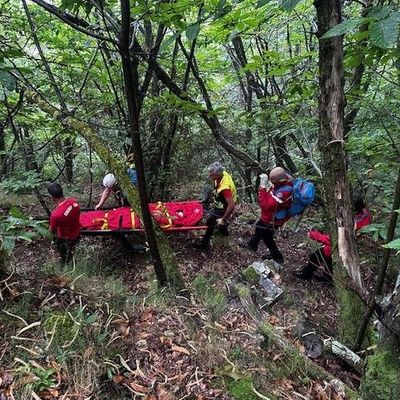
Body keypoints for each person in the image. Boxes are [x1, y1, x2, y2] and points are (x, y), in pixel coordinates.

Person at [293, 197, 372, 281]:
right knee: (327, 260)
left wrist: (315, 235)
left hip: (342, 247)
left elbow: (336, 240)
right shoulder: (365, 215)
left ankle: (307, 275)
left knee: (316, 256)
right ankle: (327, 278)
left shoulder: (353, 224)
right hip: (350, 248)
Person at [246, 166, 293, 264]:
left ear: (279, 180)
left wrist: (262, 187)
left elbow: (265, 206)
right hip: (270, 215)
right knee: (259, 227)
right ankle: (252, 245)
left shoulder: (284, 192)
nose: (271, 181)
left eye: (272, 180)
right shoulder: (283, 181)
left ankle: (278, 257)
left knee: (267, 237)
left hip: (273, 218)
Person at [193, 162, 237, 249]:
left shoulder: (225, 188)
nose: (210, 176)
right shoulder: (223, 174)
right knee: (216, 221)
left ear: (217, 175)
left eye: (211, 175)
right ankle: (224, 232)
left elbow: (231, 206)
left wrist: (223, 218)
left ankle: (205, 244)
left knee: (210, 222)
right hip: (222, 202)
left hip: (225, 206)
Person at [48, 182, 80, 265]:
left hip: (65, 238)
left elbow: (51, 231)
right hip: (77, 233)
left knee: (65, 257)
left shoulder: (56, 215)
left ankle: (65, 263)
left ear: (52, 197)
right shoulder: (74, 202)